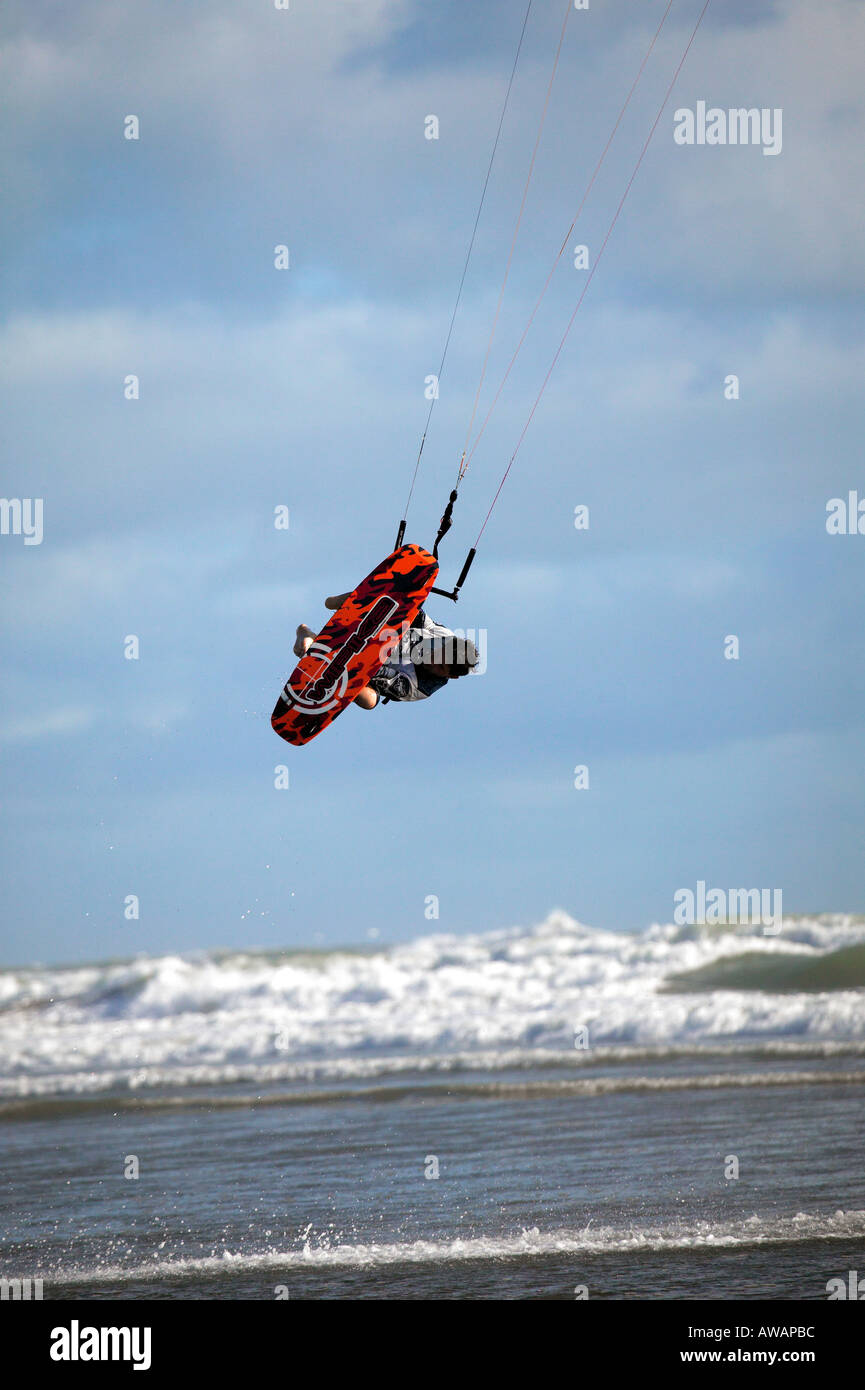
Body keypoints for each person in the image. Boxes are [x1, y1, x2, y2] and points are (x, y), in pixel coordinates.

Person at [293, 593, 478, 710]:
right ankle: (335, 603)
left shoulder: (421, 686)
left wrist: (355, 661)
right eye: (438, 654)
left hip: (363, 668)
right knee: (388, 600)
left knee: (370, 701)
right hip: (377, 631)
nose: (433, 661)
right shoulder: (444, 636)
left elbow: (379, 676)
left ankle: (311, 640)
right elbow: (415, 612)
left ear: (451, 676)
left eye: (440, 667)